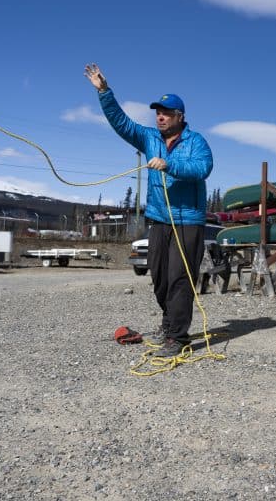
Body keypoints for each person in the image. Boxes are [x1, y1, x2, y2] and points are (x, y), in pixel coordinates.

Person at [84, 64, 213, 358]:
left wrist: (170, 165)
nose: (160, 116)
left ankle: (178, 337)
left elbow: (203, 168)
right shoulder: (148, 138)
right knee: (160, 278)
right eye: (157, 112)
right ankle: (169, 326)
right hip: (158, 220)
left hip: (187, 221)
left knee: (181, 278)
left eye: (166, 113)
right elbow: (122, 123)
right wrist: (104, 92)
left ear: (180, 116)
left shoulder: (196, 142)